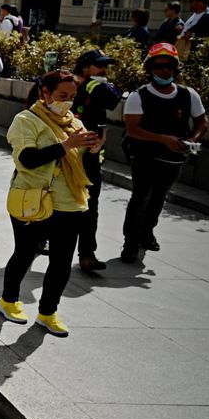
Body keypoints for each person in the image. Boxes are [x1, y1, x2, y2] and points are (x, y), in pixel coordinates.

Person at [0, 71, 98, 337]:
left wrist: (94, 150)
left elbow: (85, 166)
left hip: (71, 203)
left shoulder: (75, 123)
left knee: (62, 262)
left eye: (72, 97)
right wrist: (66, 145)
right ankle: (8, 300)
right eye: (63, 96)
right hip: (34, 199)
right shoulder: (26, 120)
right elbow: (27, 160)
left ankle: (48, 312)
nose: (67, 102)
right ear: (45, 93)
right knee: (26, 252)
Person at [120, 43, 208, 263]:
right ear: (150, 68)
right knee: (140, 197)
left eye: (169, 66)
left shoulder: (189, 95)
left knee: (159, 197)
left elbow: (202, 122)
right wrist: (163, 139)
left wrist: (192, 140)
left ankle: (146, 233)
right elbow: (133, 129)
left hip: (174, 158)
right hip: (145, 155)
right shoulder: (138, 96)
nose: (164, 71)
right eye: (159, 66)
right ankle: (130, 241)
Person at [71, 50, 123, 272]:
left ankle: (87, 255)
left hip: (90, 156)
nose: (104, 70)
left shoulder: (93, 85)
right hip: (68, 154)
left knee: (90, 206)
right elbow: (113, 98)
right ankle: (40, 238)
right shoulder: (89, 86)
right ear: (85, 67)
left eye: (105, 66)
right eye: (98, 65)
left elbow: (111, 99)